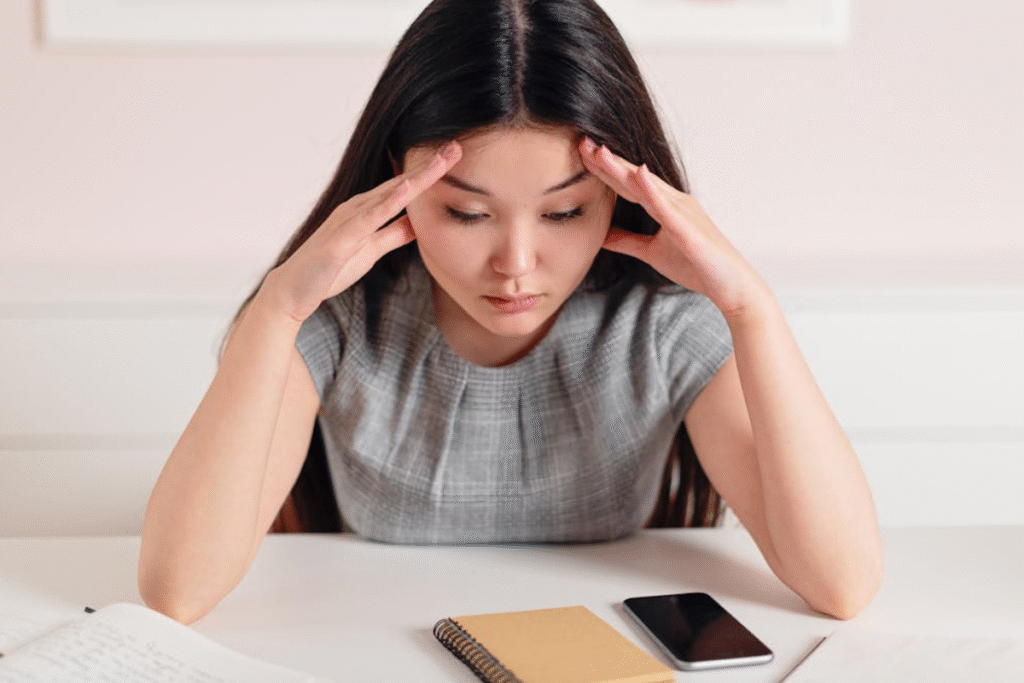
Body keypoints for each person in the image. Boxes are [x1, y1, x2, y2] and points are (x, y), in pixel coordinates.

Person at [139, 0, 883, 625]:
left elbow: (842, 583)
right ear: (395, 184)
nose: (516, 264)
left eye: (563, 212)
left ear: (621, 196)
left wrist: (750, 308)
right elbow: (176, 590)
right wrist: (275, 311)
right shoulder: (339, 324)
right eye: (466, 212)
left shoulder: (658, 326)